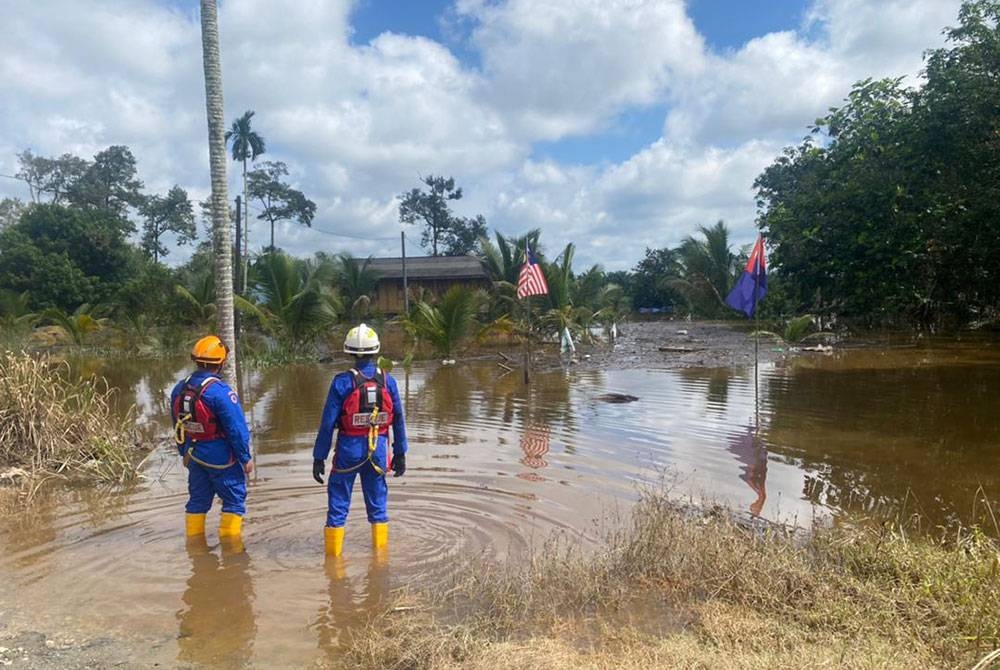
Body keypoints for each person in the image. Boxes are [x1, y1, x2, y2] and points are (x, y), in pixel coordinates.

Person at [312, 323, 408, 556]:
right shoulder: (389, 381)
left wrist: (319, 457)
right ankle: (380, 559)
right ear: (376, 351)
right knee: (377, 503)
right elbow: (398, 419)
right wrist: (400, 453)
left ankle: (333, 563)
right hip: (378, 450)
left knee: (338, 503)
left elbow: (327, 424)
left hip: (348, 451)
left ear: (350, 352)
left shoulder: (342, 383)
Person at [172, 335, 253, 539]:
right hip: (220, 457)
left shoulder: (179, 388)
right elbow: (236, 429)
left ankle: (196, 551)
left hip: (194, 453)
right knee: (234, 501)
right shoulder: (220, 392)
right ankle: (233, 554)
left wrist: (184, 453)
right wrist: (245, 458)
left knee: (198, 501)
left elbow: (177, 425)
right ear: (221, 363)